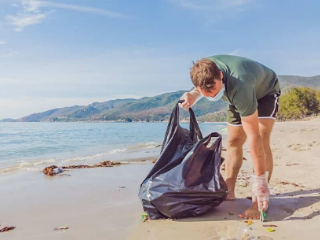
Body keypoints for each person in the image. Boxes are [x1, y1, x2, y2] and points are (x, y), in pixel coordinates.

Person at [180, 55, 281, 219]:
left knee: (261, 139)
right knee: (234, 140)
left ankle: (258, 201)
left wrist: (259, 181)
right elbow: (203, 88)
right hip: (235, 96)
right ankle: (229, 191)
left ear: (220, 75)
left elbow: (253, 136)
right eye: (207, 95)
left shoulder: (240, 84)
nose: (213, 97)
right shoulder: (204, 71)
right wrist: (194, 94)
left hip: (265, 93)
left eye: (214, 92)